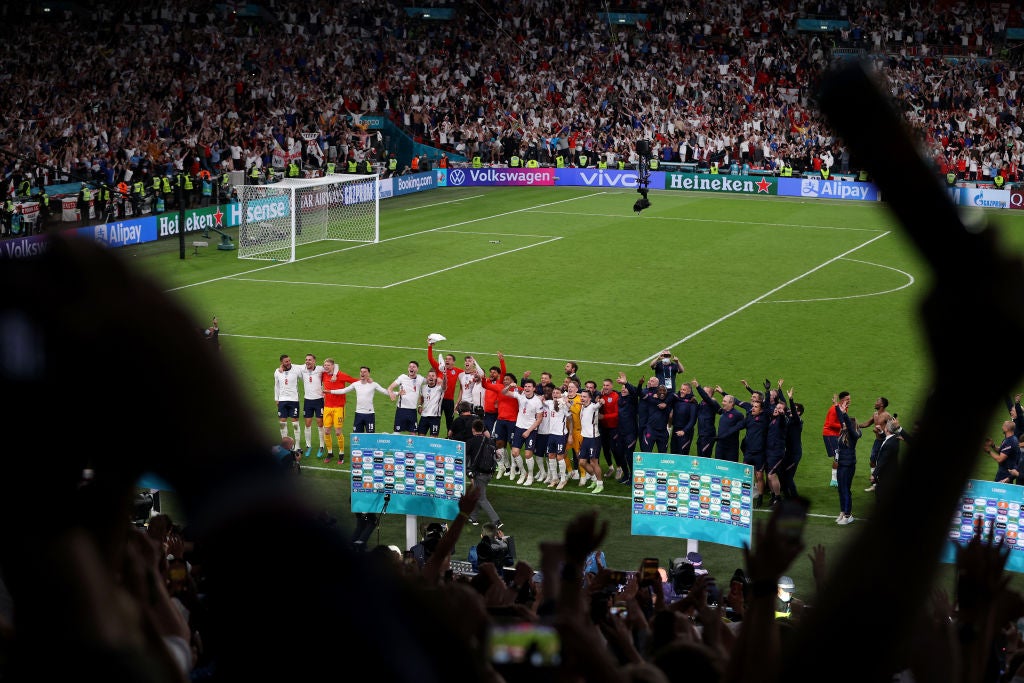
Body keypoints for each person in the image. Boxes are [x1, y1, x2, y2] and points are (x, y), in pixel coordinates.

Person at [502, 377, 544, 486]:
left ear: (534, 388)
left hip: (531, 430)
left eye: (529, 386)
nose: (527, 388)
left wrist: (529, 431)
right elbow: (504, 392)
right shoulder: (520, 396)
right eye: (525, 386)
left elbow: (539, 419)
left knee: (528, 454)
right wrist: (510, 386)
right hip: (519, 428)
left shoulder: (537, 402)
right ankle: (523, 473)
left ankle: (530, 476)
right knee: (515, 452)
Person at [329, 366, 389, 435]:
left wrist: (397, 393)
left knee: (370, 435)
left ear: (368, 374)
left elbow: (385, 391)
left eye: (364, 372)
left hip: (369, 414)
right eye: (361, 372)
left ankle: (368, 446)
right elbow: (343, 390)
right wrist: (330, 391)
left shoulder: (373, 384)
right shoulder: (356, 384)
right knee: (357, 436)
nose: (362, 373)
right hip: (358, 414)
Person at [320, 358, 358, 463]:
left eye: (328, 365)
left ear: (333, 366)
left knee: (337, 432)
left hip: (338, 408)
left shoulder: (340, 375)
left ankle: (341, 453)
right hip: (327, 407)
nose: (326, 367)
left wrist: (366, 380)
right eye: (325, 365)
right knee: (326, 431)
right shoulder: (323, 374)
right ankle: (330, 453)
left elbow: (354, 381)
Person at [466, 419, 502, 527]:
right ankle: (473, 518)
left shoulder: (471, 442)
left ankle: (496, 521)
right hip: (489, 474)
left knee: (481, 498)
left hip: (479, 474)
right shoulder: (490, 441)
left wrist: (469, 473)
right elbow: (497, 457)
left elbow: (466, 458)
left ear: (473, 429)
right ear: (482, 429)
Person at [832, 395, 861, 525]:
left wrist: (844, 415)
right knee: (840, 489)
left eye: (846, 423)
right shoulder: (844, 433)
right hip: (841, 464)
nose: (843, 424)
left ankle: (849, 516)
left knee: (845, 489)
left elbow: (847, 424)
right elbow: (841, 419)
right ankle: (843, 512)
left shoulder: (854, 435)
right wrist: (837, 406)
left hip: (848, 465)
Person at [427, 338, 463, 434]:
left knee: (449, 421)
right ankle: (434, 436)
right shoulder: (440, 369)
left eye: (449, 359)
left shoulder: (458, 371)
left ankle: (450, 438)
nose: (447, 360)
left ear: (453, 362)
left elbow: (467, 374)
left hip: (449, 401)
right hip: (438, 399)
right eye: (446, 359)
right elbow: (430, 359)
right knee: (436, 419)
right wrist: (430, 346)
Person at [860, 396, 893, 492]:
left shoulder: (887, 415)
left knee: (882, 463)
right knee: (872, 461)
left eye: (877, 401)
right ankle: (874, 484)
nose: (875, 402)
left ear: (882, 404)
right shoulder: (875, 414)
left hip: (885, 442)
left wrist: (882, 432)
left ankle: (882, 483)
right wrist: (856, 425)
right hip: (877, 441)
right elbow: (867, 424)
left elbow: (892, 428)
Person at [297, 353, 327, 457]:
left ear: (314, 361)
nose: (307, 361)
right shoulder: (302, 369)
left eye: (310, 360)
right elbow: (289, 366)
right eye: (306, 360)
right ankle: (308, 446)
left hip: (319, 400)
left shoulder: (320, 369)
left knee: (320, 423)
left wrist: (335, 374)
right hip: (308, 401)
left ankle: (322, 446)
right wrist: (281, 367)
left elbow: (335, 366)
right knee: (307, 423)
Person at [578, 389, 604, 493]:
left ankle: (600, 484)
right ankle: (594, 478)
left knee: (594, 463)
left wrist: (601, 402)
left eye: (585, 397)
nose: (582, 398)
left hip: (594, 439)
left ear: (589, 398)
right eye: (582, 396)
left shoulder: (593, 407)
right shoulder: (582, 407)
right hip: (585, 438)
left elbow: (599, 404)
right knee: (582, 462)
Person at [388, 361, 425, 434]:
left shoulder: (420, 378)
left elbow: (432, 380)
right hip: (401, 410)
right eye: (410, 367)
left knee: (413, 434)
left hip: (412, 411)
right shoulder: (402, 377)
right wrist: (394, 394)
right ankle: (390, 443)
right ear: (408, 369)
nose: (411, 368)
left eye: (413, 367)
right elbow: (390, 388)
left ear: (417, 369)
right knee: (397, 432)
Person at [273, 354, 303, 445]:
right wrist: (276, 399)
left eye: (289, 360)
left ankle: (297, 445)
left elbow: (306, 370)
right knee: (282, 422)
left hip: (294, 400)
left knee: (295, 423)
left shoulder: (296, 369)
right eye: (286, 361)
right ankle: (285, 444)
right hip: (282, 400)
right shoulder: (277, 372)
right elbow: (276, 386)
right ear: (282, 363)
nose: (289, 362)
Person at [822, 391, 850, 488]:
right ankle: (834, 480)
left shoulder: (845, 408)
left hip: (837, 434)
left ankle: (838, 478)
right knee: (837, 456)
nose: (849, 400)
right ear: (842, 400)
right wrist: (843, 426)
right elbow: (830, 424)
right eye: (847, 399)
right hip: (829, 434)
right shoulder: (834, 409)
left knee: (840, 455)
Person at [598, 378, 622, 479]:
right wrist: (599, 395)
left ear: (611, 386)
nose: (605, 387)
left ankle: (619, 468)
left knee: (614, 448)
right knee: (605, 448)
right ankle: (610, 467)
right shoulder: (601, 395)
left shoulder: (616, 396)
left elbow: (617, 414)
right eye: (604, 385)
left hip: (614, 427)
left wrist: (604, 417)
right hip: (603, 427)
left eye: (607, 385)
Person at [984, 419, 1021, 484]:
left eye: (1003, 426)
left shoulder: (1010, 442)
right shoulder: (1011, 438)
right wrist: (993, 446)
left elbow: (1000, 459)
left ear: (1007, 429)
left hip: (1005, 473)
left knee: (998, 491)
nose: (1002, 427)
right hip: (1006, 471)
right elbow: (1003, 451)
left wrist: (989, 451)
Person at [670, 382, 699, 456]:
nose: (681, 391)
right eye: (681, 389)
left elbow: (692, 420)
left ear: (689, 391)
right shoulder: (677, 398)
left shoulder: (693, 402)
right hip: (675, 430)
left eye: (684, 390)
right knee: (673, 452)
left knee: (682, 454)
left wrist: (684, 431)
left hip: (685, 433)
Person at [416, 369, 446, 437]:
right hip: (424, 417)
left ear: (436, 378)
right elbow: (422, 397)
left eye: (433, 376)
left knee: (433, 440)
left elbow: (444, 385)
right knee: (420, 438)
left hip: (435, 418)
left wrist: (444, 377)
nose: (431, 377)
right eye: (429, 375)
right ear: (427, 377)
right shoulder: (423, 388)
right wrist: (420, 405)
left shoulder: (439, 389)